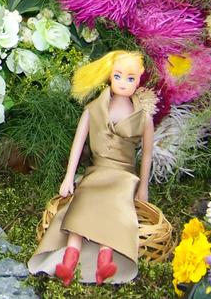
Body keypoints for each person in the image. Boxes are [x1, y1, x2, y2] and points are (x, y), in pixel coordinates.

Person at [27, 51, 155, 285]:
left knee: (116, 209)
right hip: (96, 172)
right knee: (81, 204)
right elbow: (77, 145)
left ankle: (105, 260)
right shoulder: (93, 109)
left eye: (130, 78)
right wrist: (68, 178)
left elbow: (147, 155)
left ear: (139, 80)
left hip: (124, 177)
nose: (123, 83)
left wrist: (143, 187)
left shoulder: (143, 118)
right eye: (118, 76)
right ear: (109, 77)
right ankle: (68, 261)